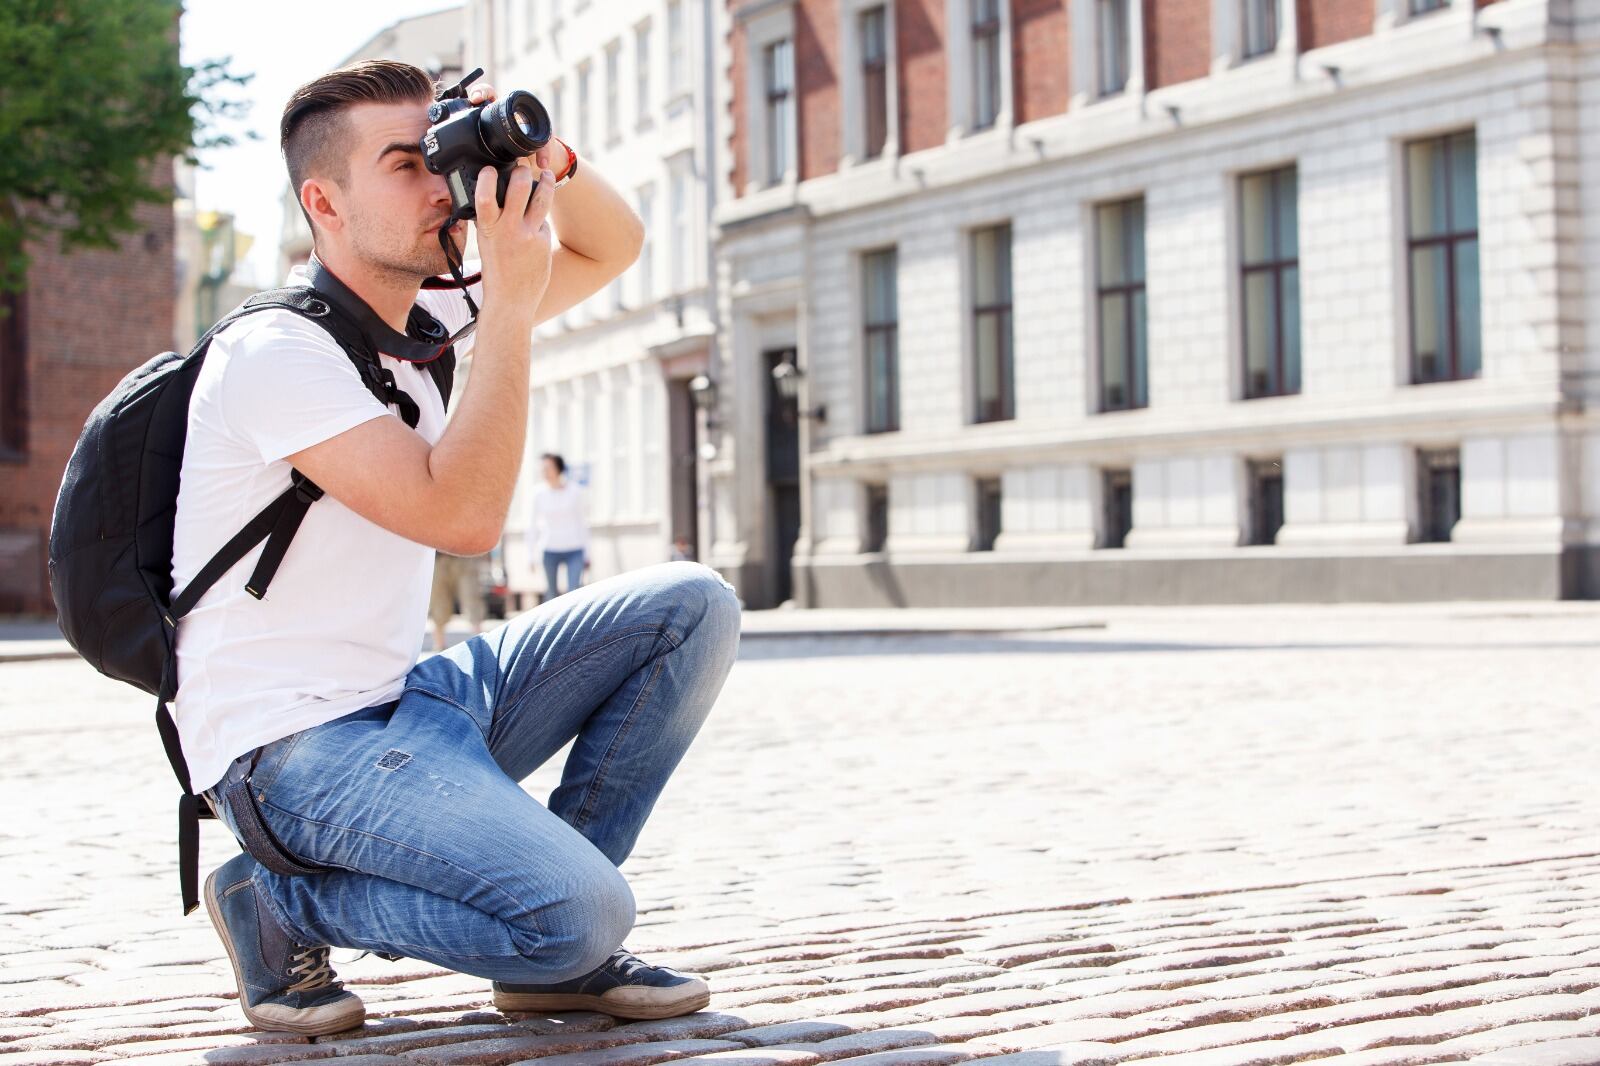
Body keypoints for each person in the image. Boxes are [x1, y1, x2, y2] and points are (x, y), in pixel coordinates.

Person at [168, 61, 739, 1037]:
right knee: (585, 911)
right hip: (292, 755)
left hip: (414, 701)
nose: (443, 186)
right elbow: (464, 518)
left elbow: (617, 242)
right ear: (325, 202)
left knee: (690, 604)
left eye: (441, 149)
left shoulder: (417, 323)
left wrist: (527, 150)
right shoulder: (277, 355)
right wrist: (511, 303)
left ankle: (554, 946)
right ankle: (281, 903)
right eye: (406, 163)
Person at [528, 453, 590, 599]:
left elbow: (583, 523)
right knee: (551, 593)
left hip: (574, 548)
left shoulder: (574, 491)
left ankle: (574, 622)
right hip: (549, 549)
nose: (545, 472)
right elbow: (532, 526)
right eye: (542, 469)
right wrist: (530, 555)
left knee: (574, 592)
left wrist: (588, 553)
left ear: (558, 468)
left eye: (548, 468)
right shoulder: (538, 493)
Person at [428, 548, 488, 650]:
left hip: (465, 555)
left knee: (471, 597)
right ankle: (439, 645)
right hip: (438, 557)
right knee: (438, 602)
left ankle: (482, 644)